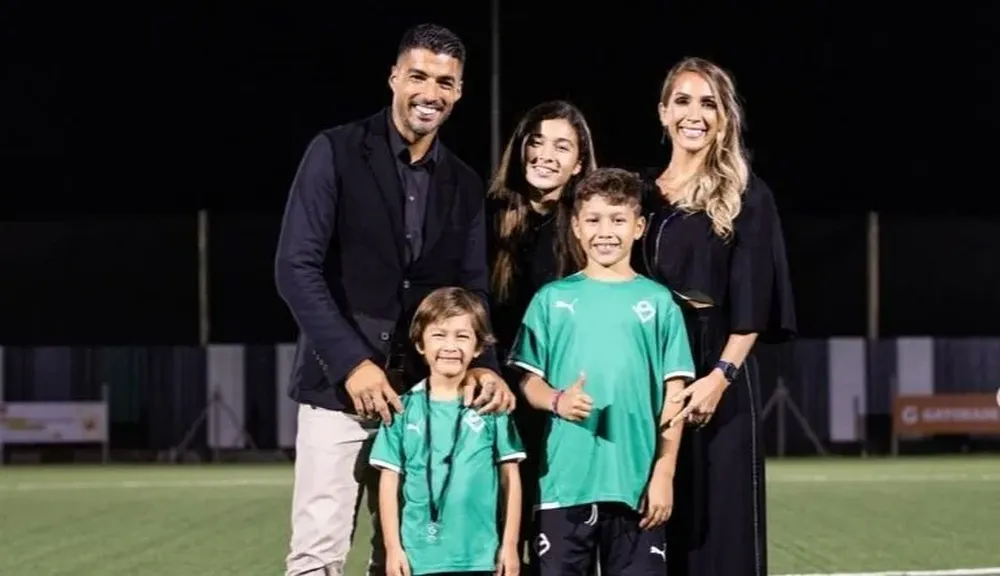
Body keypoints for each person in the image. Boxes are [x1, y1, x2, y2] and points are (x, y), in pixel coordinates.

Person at [274, 23, 517, 576]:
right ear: (394, 78)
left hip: (421, 398)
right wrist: (352, 363)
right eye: (418, 77)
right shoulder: (334, 151)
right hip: (336, 390)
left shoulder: (463, 182)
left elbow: (472, 290)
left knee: (403, 557)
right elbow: (295, 267)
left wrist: (485, 364)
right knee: (317, 554)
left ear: (459, 91)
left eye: (445, 83)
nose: (430, 93)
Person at [636, 57, 797, 576]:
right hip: (646, 371)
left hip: (716, 370)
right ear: (663, 112)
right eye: (682, 100)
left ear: (725, 117)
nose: (695, 114)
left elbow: (753, 302)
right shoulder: (639, 193)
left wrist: (719, 378)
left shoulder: (748, 194)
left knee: (719, 530)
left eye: (709, 103)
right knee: (648, 527)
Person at [508, 168, 697, 576]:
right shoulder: (551, 299)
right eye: (593, 220)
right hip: (563, 483)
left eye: (618, 219)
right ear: (576, 227)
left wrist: (664, 473)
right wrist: (557, 400)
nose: (605, 231)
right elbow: (527, 381)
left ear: (639, 227)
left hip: (636, 485)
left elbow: (675, 396)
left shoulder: (659, 302)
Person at [485, 100, 597, 564]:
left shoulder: (588, 226)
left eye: (562, 146)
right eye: (537, 142)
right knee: (499, 543)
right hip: (496, 398)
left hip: (565, 402)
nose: (546, 155)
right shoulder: (487, 216)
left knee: (558, 547)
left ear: (579, 164)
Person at [370, 287, 526, 576]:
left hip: (480, 557)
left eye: (462, 336)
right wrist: (393, 549)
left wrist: (510, 545)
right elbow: (389, 483)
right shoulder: (402, 410)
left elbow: (511, 479)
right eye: (439, 335)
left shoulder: (491, 406)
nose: (450, 346)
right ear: (420, 343)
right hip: (419, 559)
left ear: (478, 347)